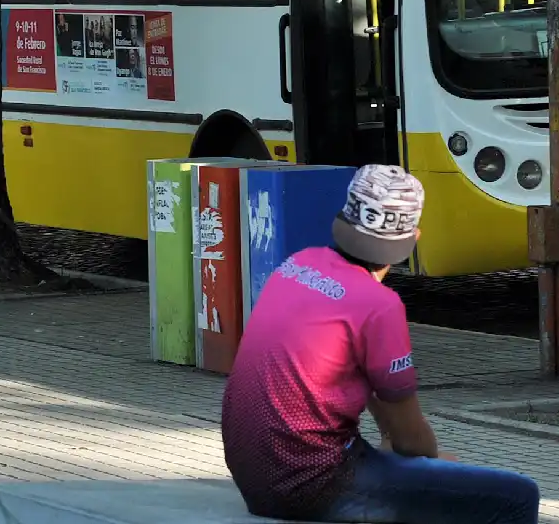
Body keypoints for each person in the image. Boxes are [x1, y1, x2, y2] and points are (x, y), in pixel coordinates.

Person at [221, 164, 540, 524]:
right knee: (517, 496)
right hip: (314, 484)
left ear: (345, 215)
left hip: (253, 472)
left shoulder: (297, 265)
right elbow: (411, 440)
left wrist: (403, 452)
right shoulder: (379, 305)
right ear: (411, 239)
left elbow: (372, 396)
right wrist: (430, 463)